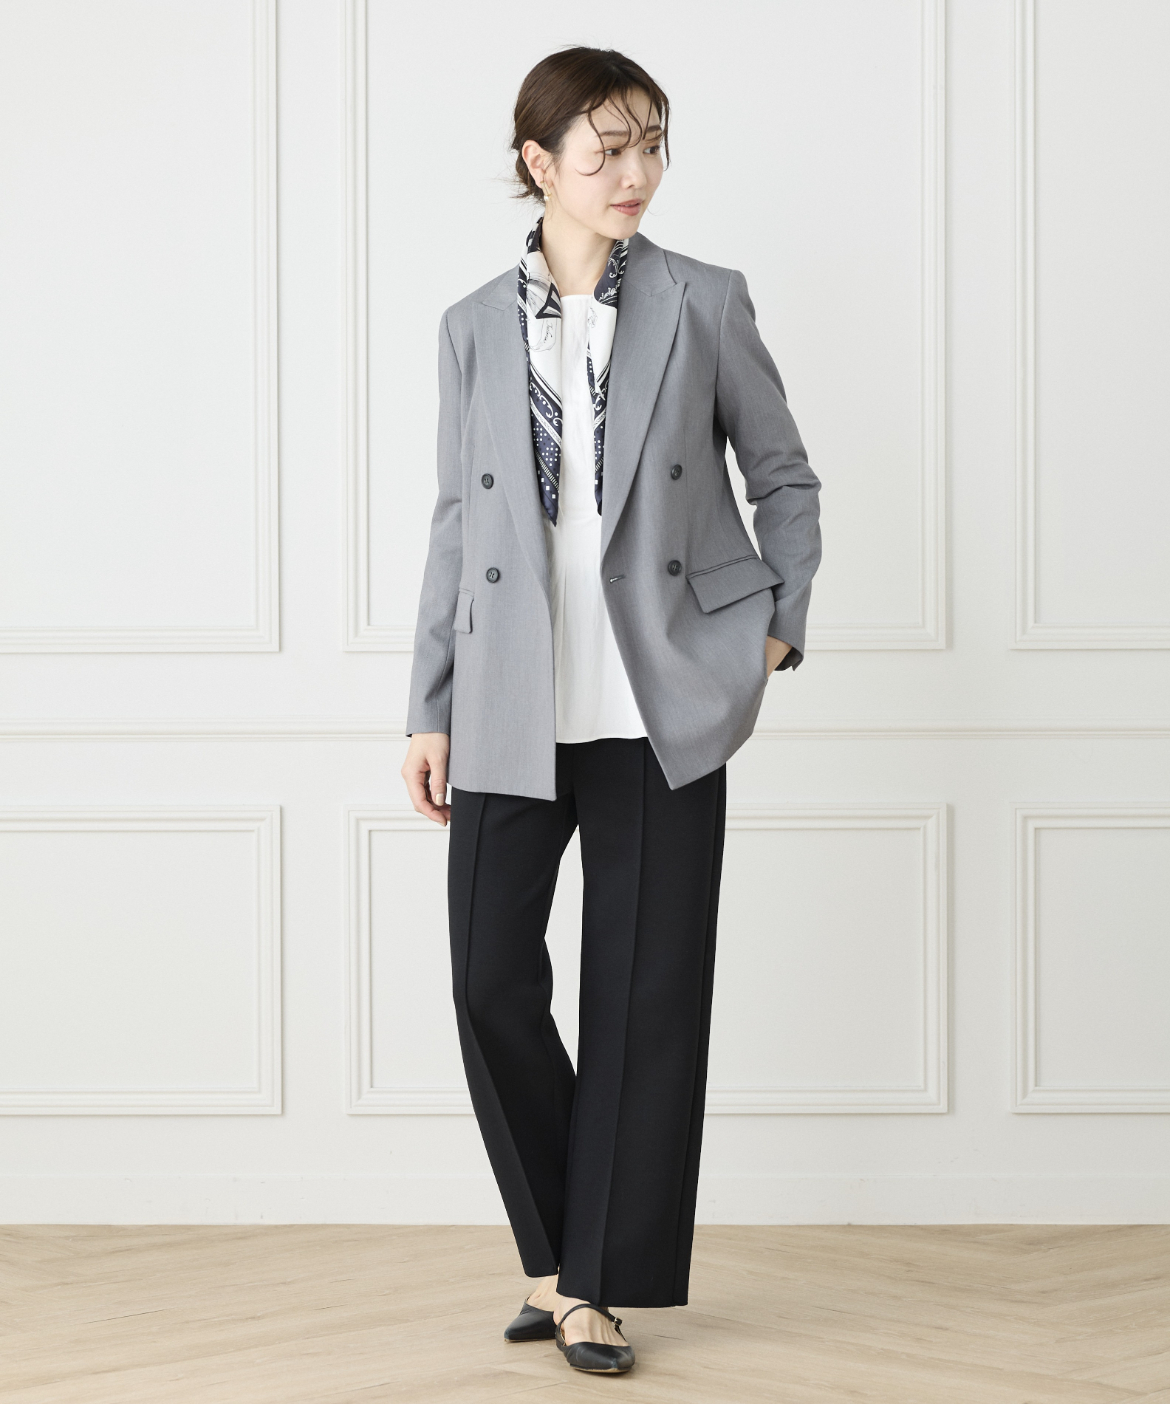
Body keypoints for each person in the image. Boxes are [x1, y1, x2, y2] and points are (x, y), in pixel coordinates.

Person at [401, 45, 821, 1377]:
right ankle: (557, 1254)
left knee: (644, 1000)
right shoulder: (470, 325)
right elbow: (456, 524)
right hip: (511, 706)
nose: (636, 174)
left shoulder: (704, 300)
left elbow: (784, 478)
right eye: (607, 151)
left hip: (661, 702)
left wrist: (772, 630)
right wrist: (429, 704)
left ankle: (590, 1287)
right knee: (488, 982)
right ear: (540, 163)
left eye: (651, 146)